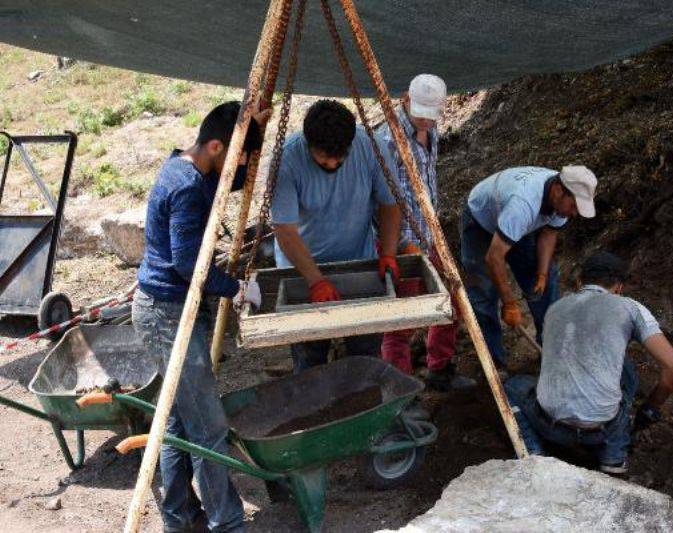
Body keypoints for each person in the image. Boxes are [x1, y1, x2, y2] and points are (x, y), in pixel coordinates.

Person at [133, 101, 264, 533]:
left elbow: (237, 178)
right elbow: (189, 263)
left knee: (179, 420)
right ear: (213, 145)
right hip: (168, 314)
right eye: (236, 154)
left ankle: (178, 516)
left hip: (167, 309)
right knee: (208, 425)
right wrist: (236, 288)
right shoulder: (188, 186)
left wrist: (255, 128)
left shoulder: (195, 167)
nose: (240, 166)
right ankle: (227, 524)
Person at [504, 252, 673, 475]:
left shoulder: (555, 308)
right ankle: (614, 454)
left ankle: (532, 450)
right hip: (600, 431)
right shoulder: (630, 307)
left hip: (550, 426)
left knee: (510, 387)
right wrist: (650, 408)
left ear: (580, 282)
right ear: (619, 286)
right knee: (627, 374)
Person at [271, 99, 401, 373]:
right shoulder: (287, 160)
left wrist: (388, 252)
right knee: (310, 358)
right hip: (303, 269)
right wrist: (315, 280)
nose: (333, 163)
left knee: (366, 356)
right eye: (324, 157)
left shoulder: (371, 147)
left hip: (359, 261)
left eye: (339, 156)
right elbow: (285, 230)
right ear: (309, 145)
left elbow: (390, 204)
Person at [376, 74, 475, 392]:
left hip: (429, 236)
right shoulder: (388, 140)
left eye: (431, 115)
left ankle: (440, 368)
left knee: (452, 301)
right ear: (405, 100)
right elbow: (381, 201)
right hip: (399, 242)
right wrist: (402, 244)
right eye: (420, 113)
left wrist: (431, 236)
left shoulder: (431, 131)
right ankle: (402, 390)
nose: (426, 121)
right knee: (401, 319)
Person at [460, 165, 597, 373]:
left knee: (546, 282)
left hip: (517, 223)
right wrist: (509, 303)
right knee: (483, 294)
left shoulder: (561, 201)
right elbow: (494, 258)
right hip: (481, 220)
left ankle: (551, 350)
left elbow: (549, 234)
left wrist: (541, 274)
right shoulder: (523, 204)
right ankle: (494, 365)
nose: (575, 213)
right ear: (559, 190)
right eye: (574, 206)